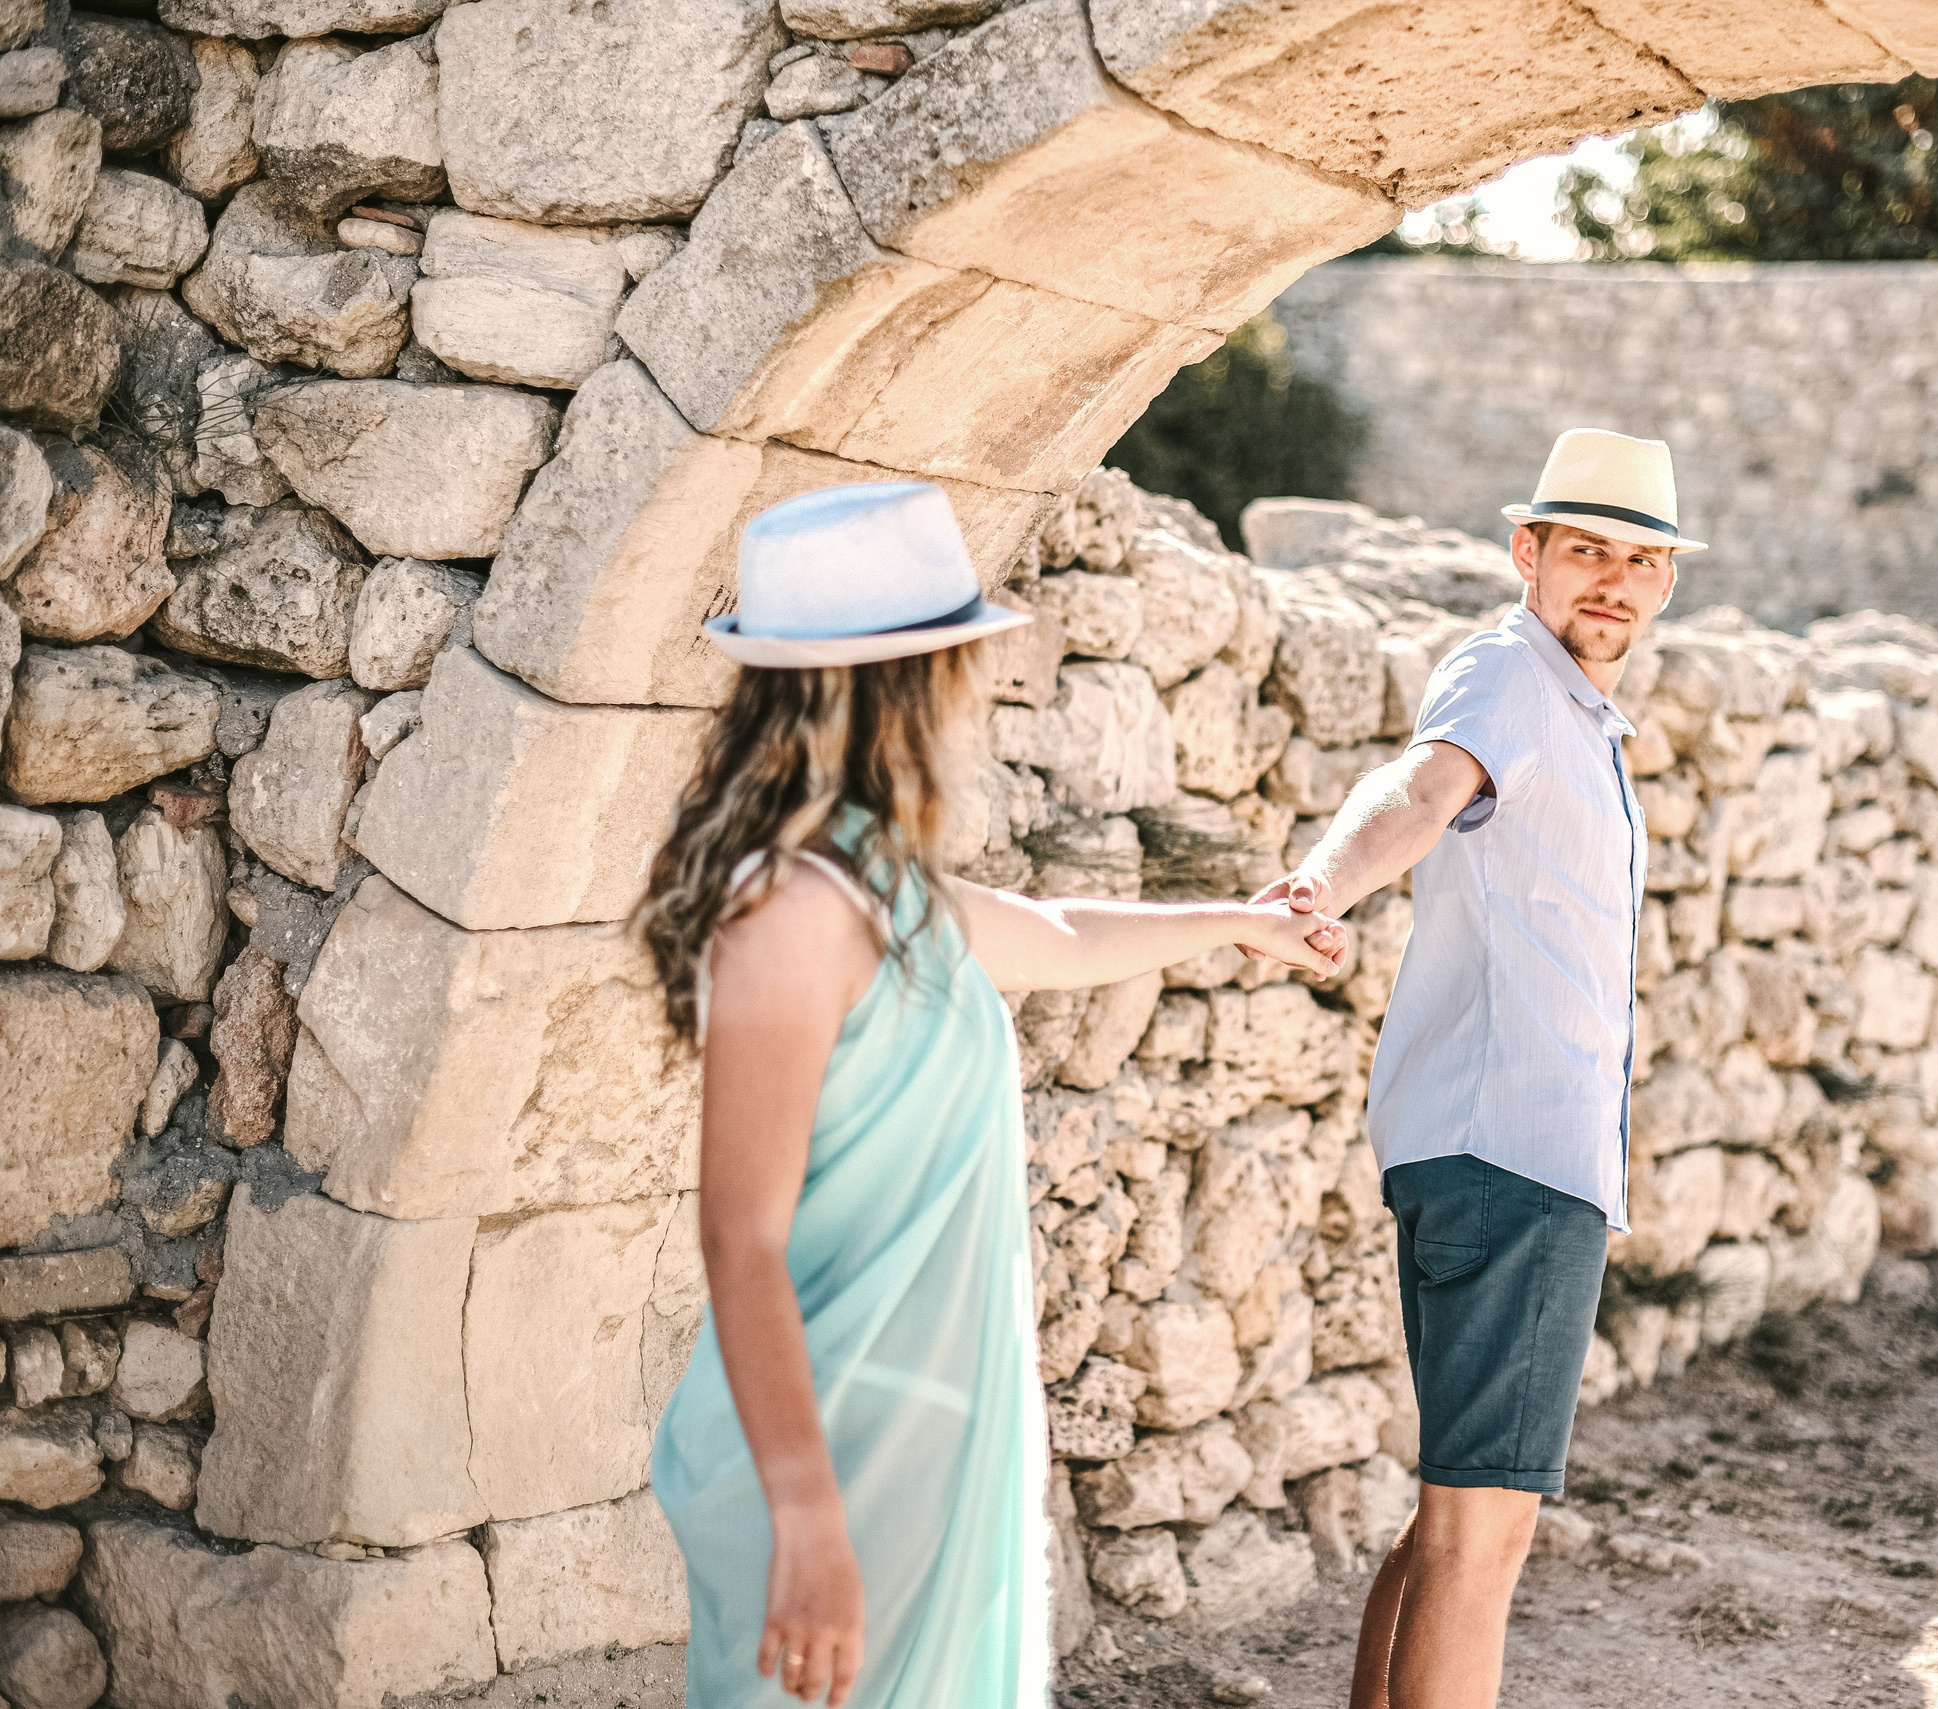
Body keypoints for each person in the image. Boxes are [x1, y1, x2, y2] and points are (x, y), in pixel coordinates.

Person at [634, 481, 1347, 1709]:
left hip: (921, 1437)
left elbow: (1061, 934)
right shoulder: (791, 910)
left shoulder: (875, 881)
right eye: (960, 658)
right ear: (905, 686)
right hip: (839, 1459)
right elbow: (738, 1236)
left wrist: (1241, 922)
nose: (981, 685)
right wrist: (807, 1522)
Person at [1253, 429, 1704, 1709]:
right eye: (1583, 554)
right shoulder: (1508, 670)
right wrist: (1322, 881)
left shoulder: (1569, 703)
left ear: (1666, 579)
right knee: (1485, 1536)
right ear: (1528, 553)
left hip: (1510, 1153)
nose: (1609, 582)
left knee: (1455, 1510)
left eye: (1638, 559)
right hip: (1511, 1154)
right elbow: (1419, 784)